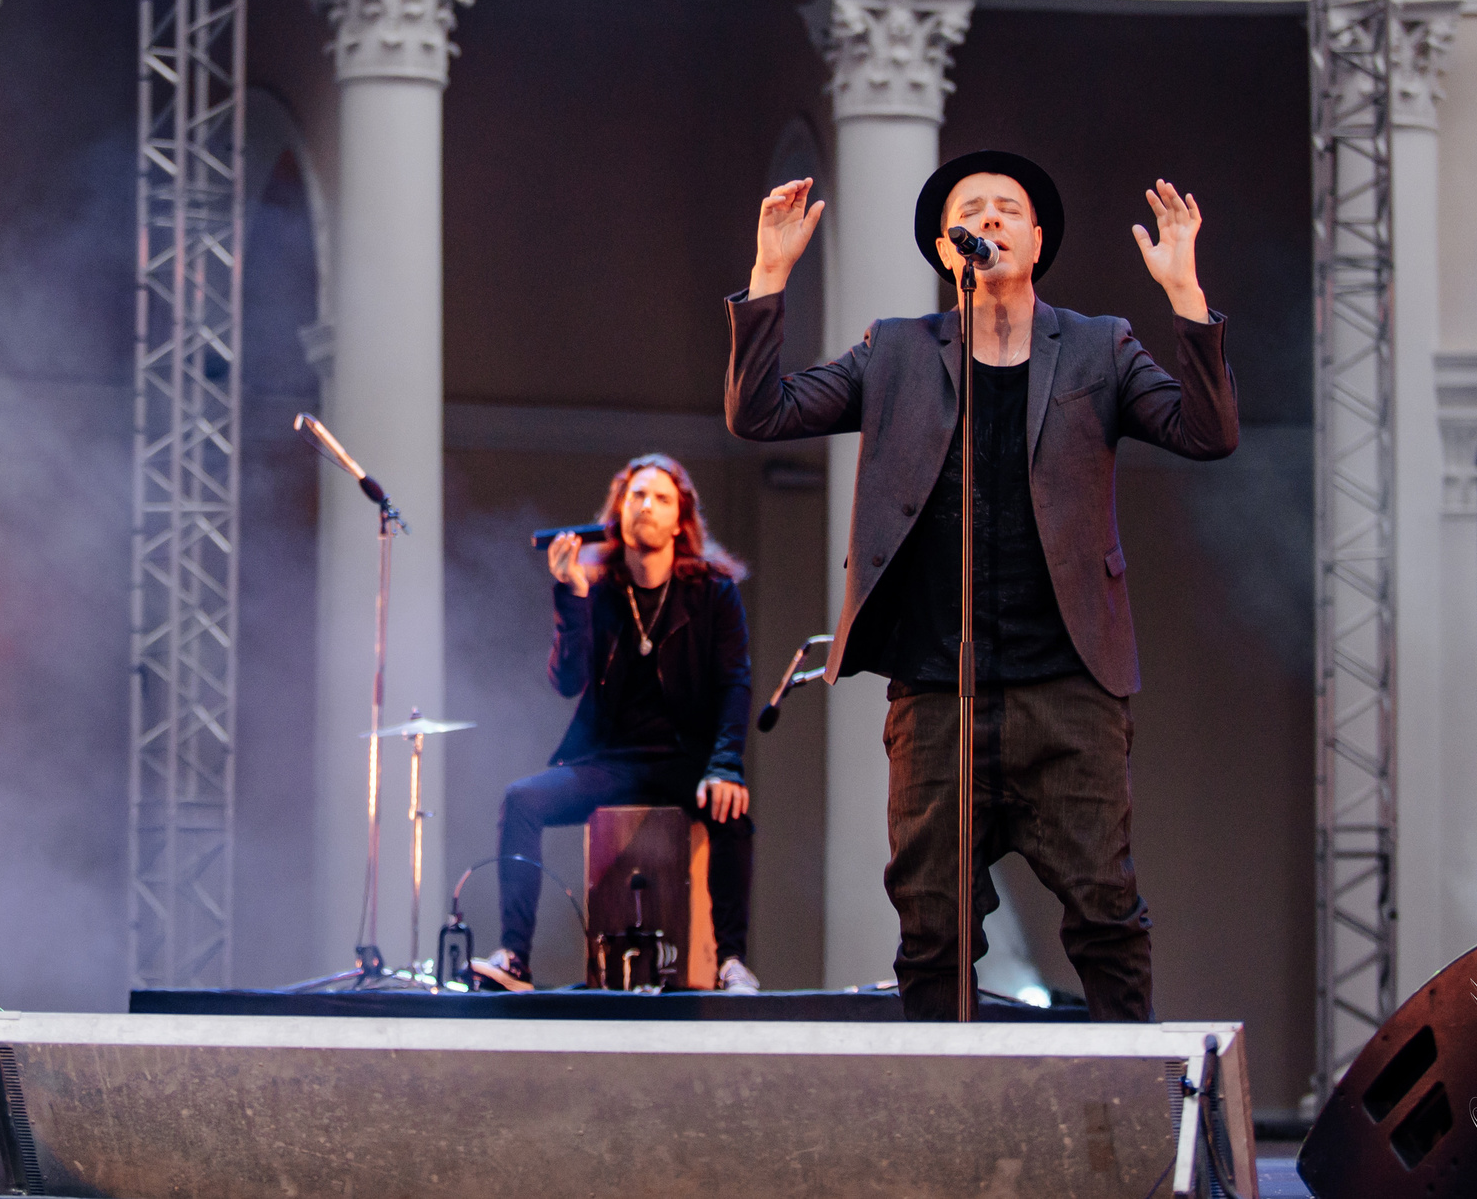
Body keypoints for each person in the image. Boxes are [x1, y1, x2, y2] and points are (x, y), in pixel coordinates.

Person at [724, 151, 1238, 1020]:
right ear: (945, 242)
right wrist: (769, 275)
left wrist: (1185, 296)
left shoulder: (1099, 346)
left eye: (1010, 208)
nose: (993, 218)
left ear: (1037, 239)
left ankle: (1137, 1122)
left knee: (1107, 918)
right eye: (975, 209)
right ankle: (945, 1130)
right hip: (935, 688)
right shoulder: (893, 351)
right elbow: (761, 412)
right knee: (931, 931)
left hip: (1069, 687)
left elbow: (1207, 430)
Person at [485, 453, 758, 991]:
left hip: (684, 760)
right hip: (609, 762)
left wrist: (725, 764)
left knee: (734, 814)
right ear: (618, 511)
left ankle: (730, 962)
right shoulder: (600, 587)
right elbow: (566, 680)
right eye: (637, 496)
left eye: (660, 498)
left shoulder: (713, 592)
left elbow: (735, 683)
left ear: (680, 518)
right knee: (521, 801)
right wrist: (570, 595)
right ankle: (514, 957)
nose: (647, 507)